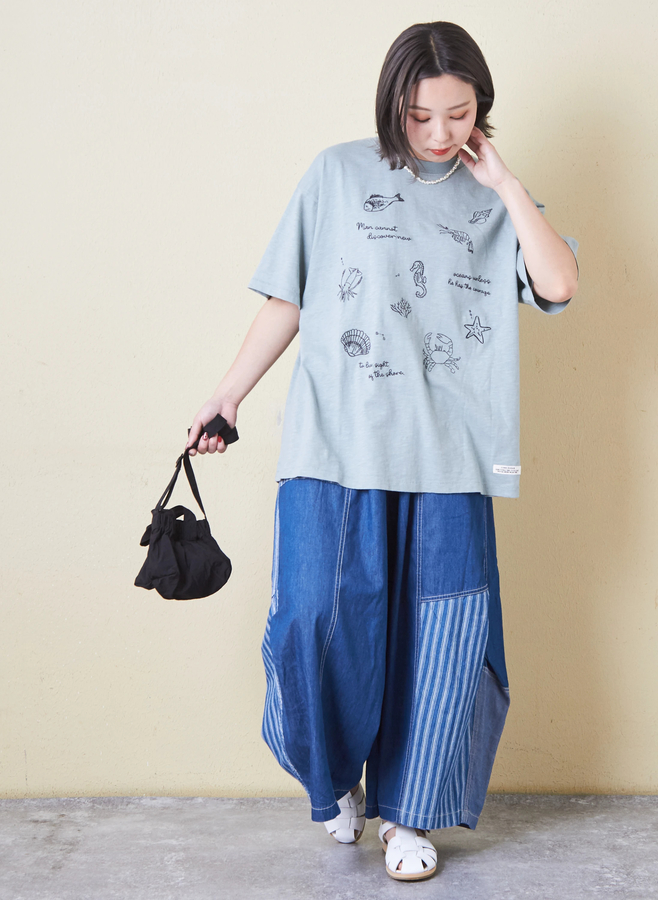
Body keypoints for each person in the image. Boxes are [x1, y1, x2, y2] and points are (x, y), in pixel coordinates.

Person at [186, 21, 578, 882]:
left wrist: (508, 185)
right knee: (312, 620)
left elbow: (558, 283)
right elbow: (288, 299)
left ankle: (409, 816)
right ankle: (334, 783)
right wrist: (228, 392)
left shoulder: (493, 197)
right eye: (420, 115)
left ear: (482, 107)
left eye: (459, 114)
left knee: (440, 642)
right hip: (332, 444)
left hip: (451, 459)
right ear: (391, 104)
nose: (439, 133)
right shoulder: (335, 173)